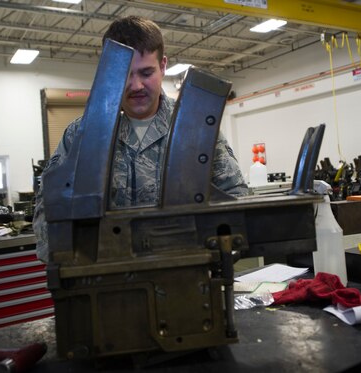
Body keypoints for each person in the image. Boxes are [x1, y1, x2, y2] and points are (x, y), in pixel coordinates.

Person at [33, 16, 248, 262]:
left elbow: (236, 198)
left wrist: (218, 257)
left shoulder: (195, 127)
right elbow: (47, 207)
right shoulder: (81, 135)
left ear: (163, 65)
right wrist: (68, 262)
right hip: (105, 281)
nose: (136, 85)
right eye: (126, 73)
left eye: (146, 73)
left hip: (186, 276)